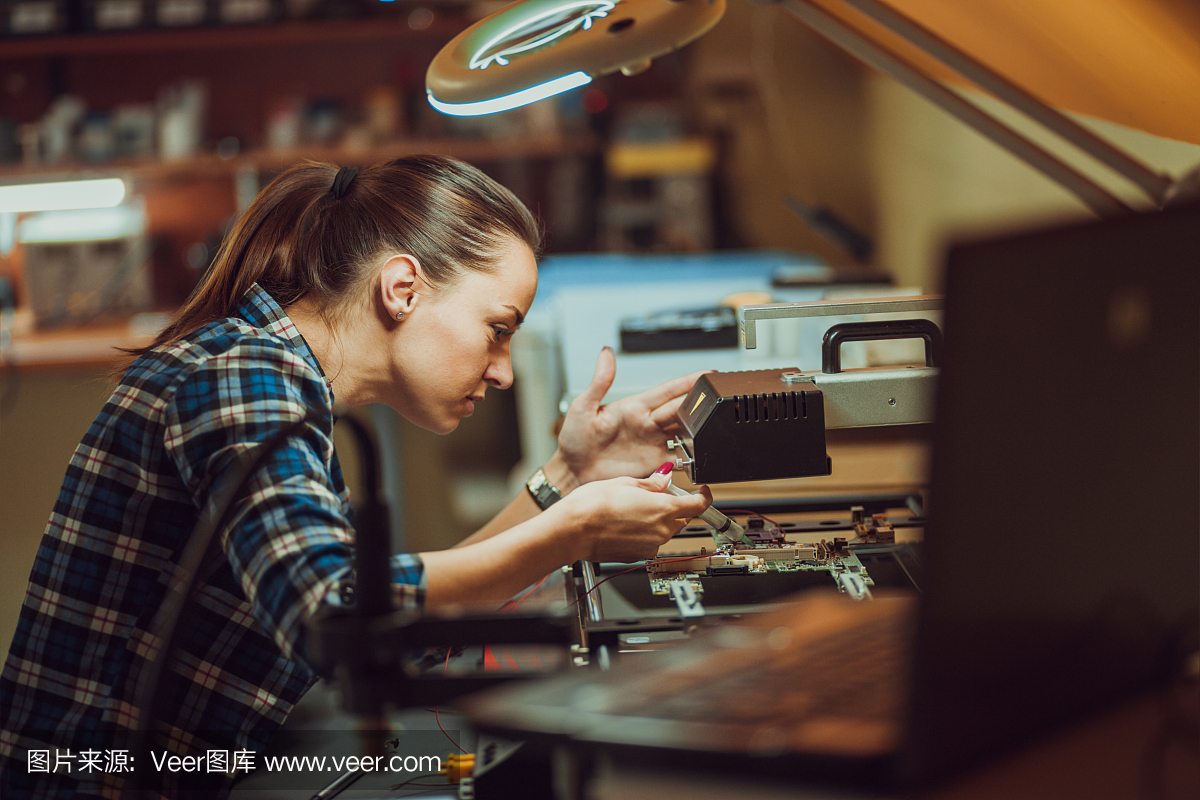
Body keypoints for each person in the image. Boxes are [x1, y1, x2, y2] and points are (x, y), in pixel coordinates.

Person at [0, 155, 712, 797]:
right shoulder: (243, 379)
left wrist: (570, 474)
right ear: (402, 288)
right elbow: (333, 610)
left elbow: (376, 612)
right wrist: (574, 533)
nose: (502, 369)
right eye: (498, 328)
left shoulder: (279, 379)